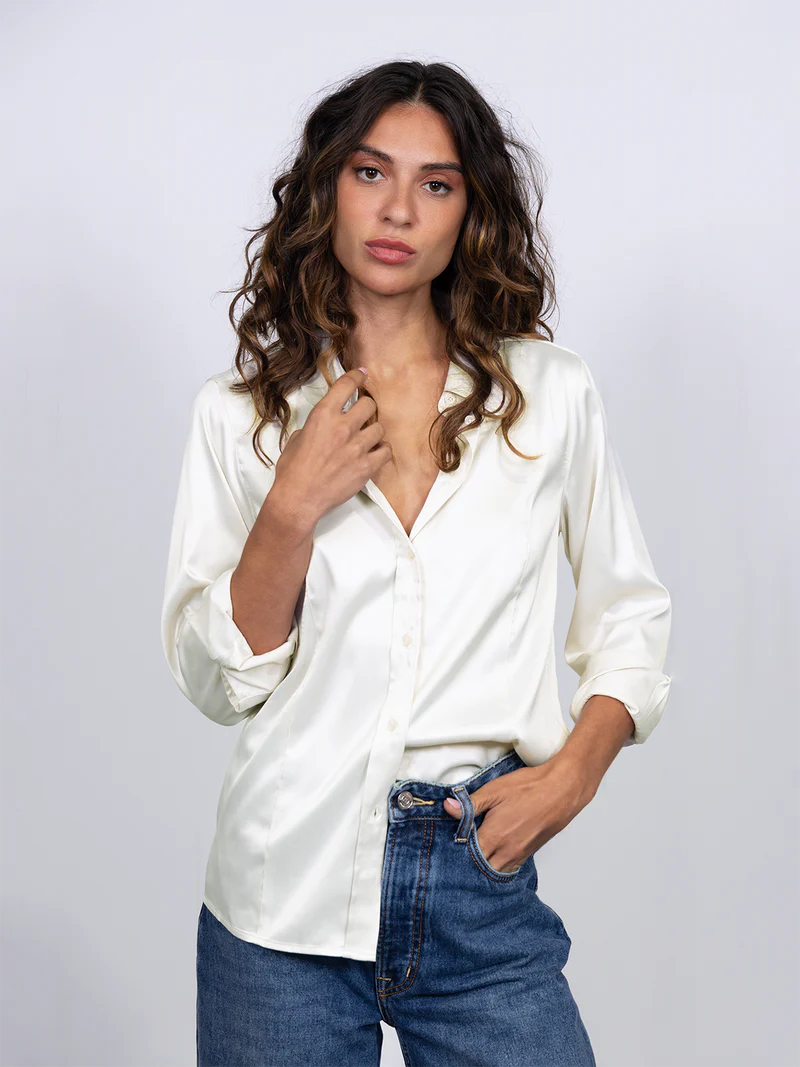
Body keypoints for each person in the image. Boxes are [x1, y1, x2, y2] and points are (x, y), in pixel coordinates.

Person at [160, 59, 672, 1067]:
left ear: (469, 212)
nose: (397, 210)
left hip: (477, 880)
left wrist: (573, 772)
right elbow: (219, 683)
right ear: (326, 190)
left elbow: (629, 616)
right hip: (281, 892)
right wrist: (290, 505)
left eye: (435, 184)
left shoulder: (548, 395)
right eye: (370, 172)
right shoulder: (240, 414)